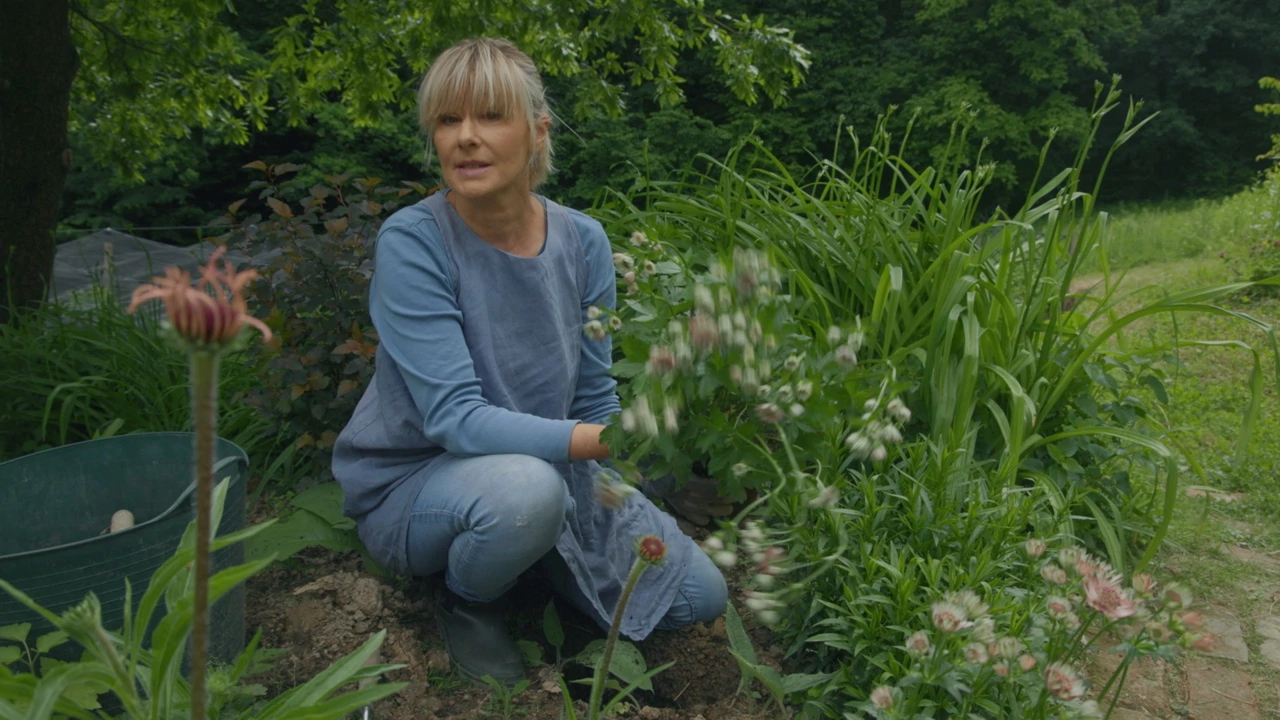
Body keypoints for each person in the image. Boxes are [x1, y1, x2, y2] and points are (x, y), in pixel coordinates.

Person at [331, 37, 728, 689]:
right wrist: (597, 441)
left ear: (537, 131)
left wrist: (640, 451)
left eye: (489, 116)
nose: (465, 137)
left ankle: (538, 565)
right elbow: (455, 420)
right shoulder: (415, 241)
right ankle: (470, 601)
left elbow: (596, 393)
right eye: (447, 119)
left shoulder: (583, 240)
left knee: (699, 596)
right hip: (425, 481)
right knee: (525, 494)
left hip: (558, 467)